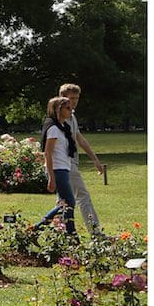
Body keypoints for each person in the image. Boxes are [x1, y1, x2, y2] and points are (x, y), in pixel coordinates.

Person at [58, 83, 105, 237]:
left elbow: (81, 140)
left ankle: (61, 233)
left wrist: (95, 160)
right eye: (71, 98)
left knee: (63, 201)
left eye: (77, 98)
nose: (74, 101)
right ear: (62, 98)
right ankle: (95, 232)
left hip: (70, 162)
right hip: (64, 163)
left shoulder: (72, 116)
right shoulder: (59, 117)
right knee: (82, 196)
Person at [36, 96, 78, 237]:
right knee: (69, 203)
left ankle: (67, 234)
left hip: (63, 169)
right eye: (67, 107)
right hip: (57, 170)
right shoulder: (53, 129)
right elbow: (47, 153)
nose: (71, 109)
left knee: (64, 204)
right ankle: (70, 235)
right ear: (57, 110)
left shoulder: (63, 128)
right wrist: (51, 178)